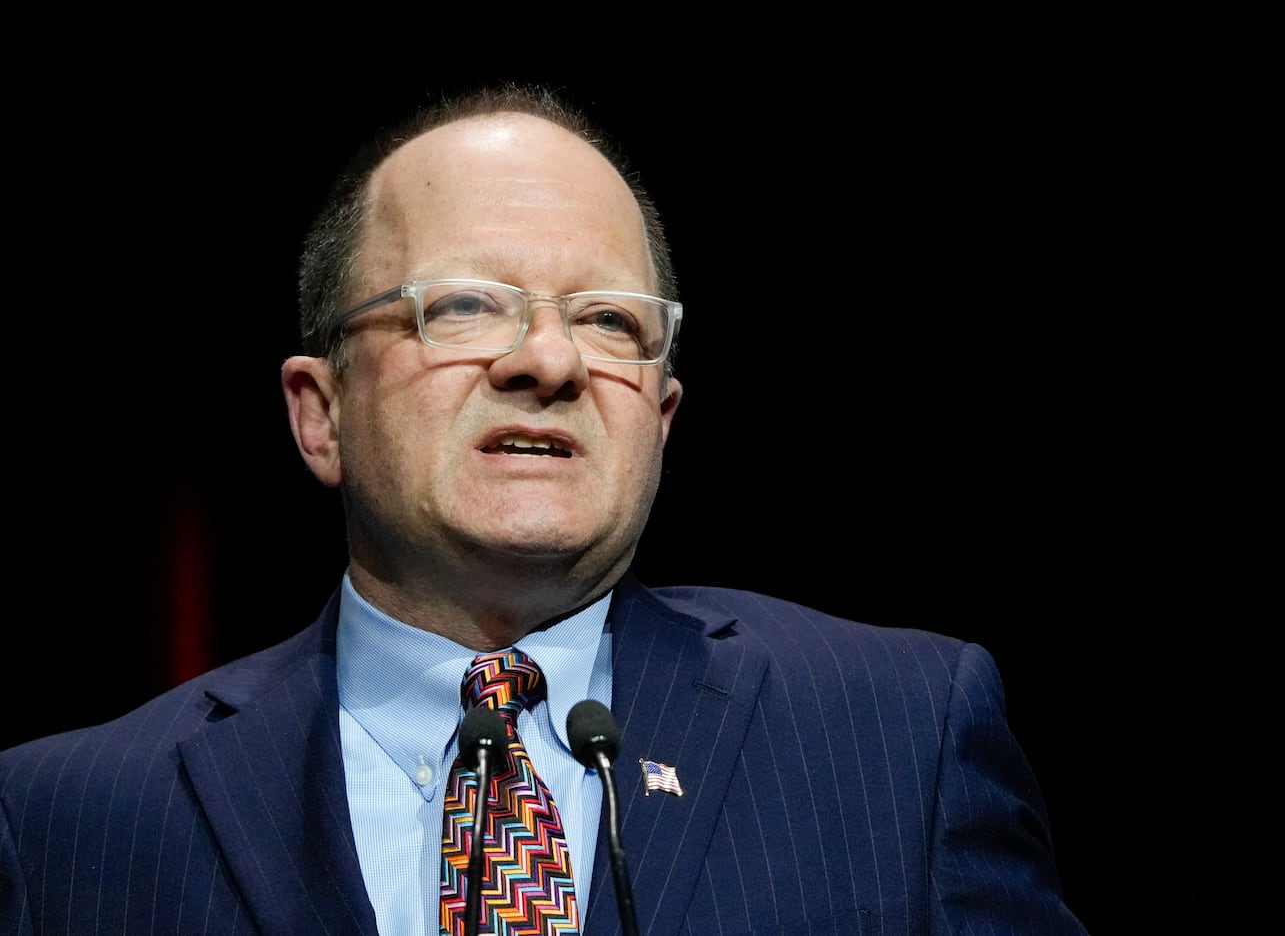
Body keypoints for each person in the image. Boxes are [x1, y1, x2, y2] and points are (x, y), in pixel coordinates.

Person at [0, 82, 1088, 935]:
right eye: (465, 306)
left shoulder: (895, 734)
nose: (550, 360)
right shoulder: (72, 816)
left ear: (660, 417)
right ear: (318, 414)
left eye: (610, 321)